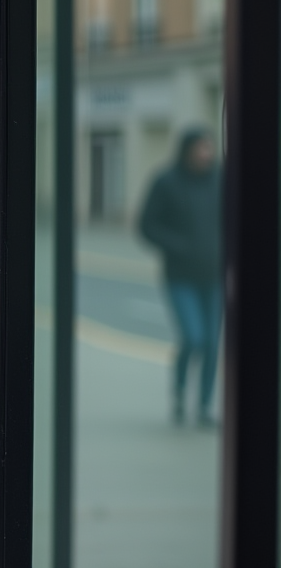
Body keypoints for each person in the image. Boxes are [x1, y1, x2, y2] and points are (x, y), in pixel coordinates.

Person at [139, 128, 222, 427]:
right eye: (200, 148)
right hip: (180, 277)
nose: (206, 154)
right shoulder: (166, 182)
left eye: (209, 148)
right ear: (186, 151)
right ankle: (179, 391)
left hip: (214, 277)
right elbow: (146, 225)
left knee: (212, 343)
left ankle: (204, 407)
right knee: (193, 337)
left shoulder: (220, 180)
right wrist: (178, 246)